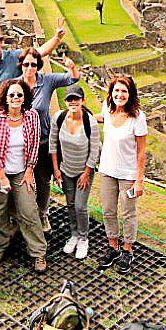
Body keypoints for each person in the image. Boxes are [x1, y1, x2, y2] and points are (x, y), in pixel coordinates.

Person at [0, 79, 47, 272]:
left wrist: (29, 171)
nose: (16, 98)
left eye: (19, 95)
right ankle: (1, 245)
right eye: (12, 95)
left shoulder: (31, 117)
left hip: (22, 172)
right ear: (5, 97)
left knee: (28, 210)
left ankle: (38, 252)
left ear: (25, 97)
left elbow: (35, 145)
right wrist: (1, 176)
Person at [0, 24, 67, 137]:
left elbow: (40, 52)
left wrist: (57, 38)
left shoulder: (14, 58)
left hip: (11, 124)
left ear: (1, 42)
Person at [21, 48, 80, 230]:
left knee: (43, 180)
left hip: (43, 140)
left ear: (38, 66)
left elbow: (72, 78)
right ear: (21, 66)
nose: (30, 68)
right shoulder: (15, 86)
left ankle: (42, 214)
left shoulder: (46, 81)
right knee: (22, 181)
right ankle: (23, 215)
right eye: (26, 64)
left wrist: (71, 67)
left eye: (33, 64)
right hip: (21, 143)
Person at [95, 75, 147, 274]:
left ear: (130, 94)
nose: (119, 94)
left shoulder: (137, 117)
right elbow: (101, 119)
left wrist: (139, 180)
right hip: (107, 170)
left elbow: (141, 151)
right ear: (111, 93)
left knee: (128, 212)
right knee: (108, 211)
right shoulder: (107, 109)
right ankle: (113, 246)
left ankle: (127, 249)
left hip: (128, 174)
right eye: (116, 91)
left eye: (124, 91)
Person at [50, 84, 100, 260]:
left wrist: (87, 172)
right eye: (70, 99)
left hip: (83, 171)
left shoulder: (90, 121)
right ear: (65, 102)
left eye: (76, 99)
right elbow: (53, 144)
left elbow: (94, 150)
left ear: (82, 101)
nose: (73, 102)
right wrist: (56, 169)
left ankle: (84, 238)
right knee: (70, 204)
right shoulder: (59, 118)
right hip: (65, 169)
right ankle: (74, 235)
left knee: (80, 205)